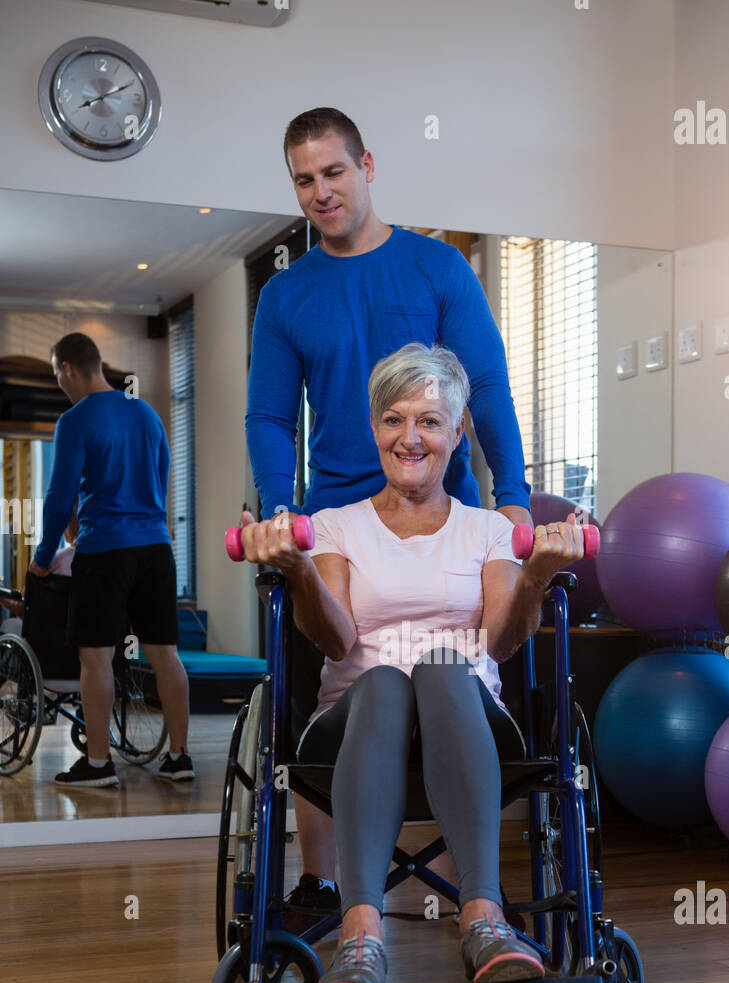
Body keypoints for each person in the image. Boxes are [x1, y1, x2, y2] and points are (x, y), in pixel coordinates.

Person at [246, 105, 532, 932]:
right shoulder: (286, 294)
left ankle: (449, 884)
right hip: (339, 521)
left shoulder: (437, 268)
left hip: (445, 506)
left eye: (334, 173)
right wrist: (281, 509)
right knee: (332, 685)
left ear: (366, 166)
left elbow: (485, 383)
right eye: (304, 180)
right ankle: (319, 880)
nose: (321, 193)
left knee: (458, 670)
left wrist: (510, 487)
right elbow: (270, 416)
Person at [236, 344, 582, 983]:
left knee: (445, 666)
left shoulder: (488, 530)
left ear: (457, 433)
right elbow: (335, 639)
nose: (410, 437)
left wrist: (536, 574)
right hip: (354, 729)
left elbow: (501, 644)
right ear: (374, 431)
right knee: (386, 681)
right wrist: (298, 568)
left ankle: (483, 919)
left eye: (429, 420)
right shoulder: (334, 526)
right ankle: (361, 938)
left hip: (469, 725)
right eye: (393, 420)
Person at [30, 332, 193, 787]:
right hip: (155, 549)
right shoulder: (146, 413)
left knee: (96, 659)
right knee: (166, 656)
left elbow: (59, 497)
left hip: (105, 553)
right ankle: (180, 758)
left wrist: (43, 558)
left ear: (66, 369)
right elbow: (160, 484)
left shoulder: (75, 420)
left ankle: (98, 763)